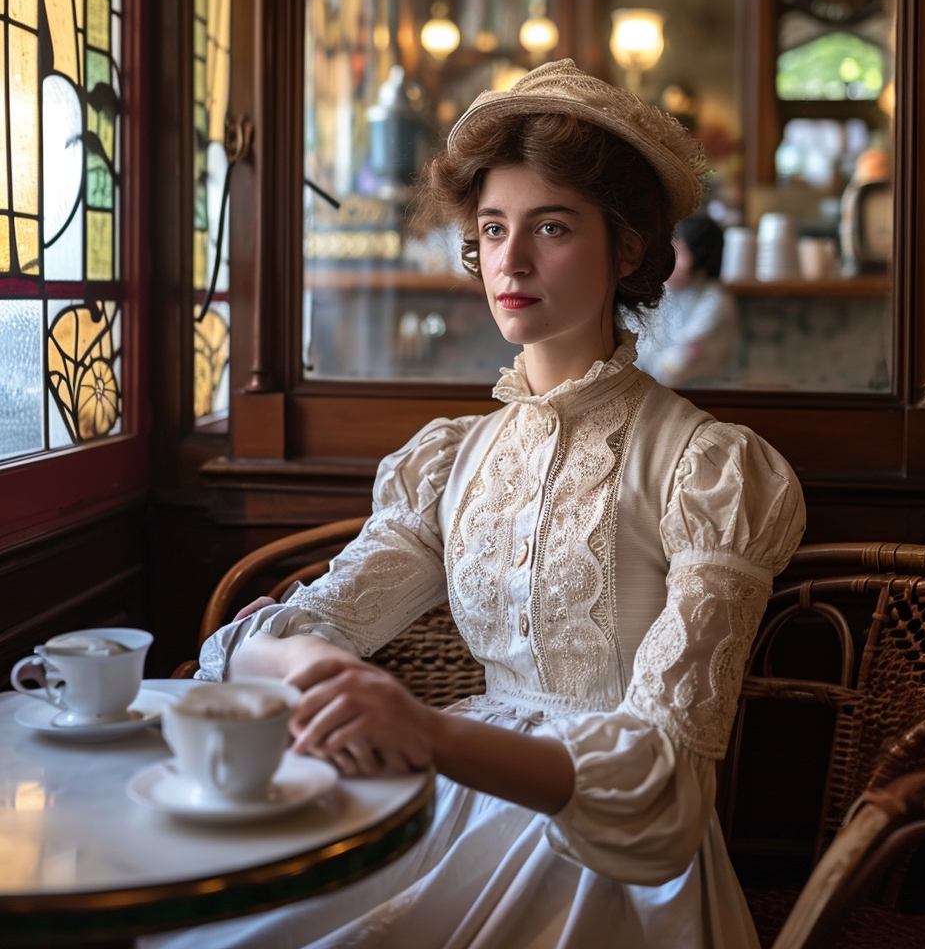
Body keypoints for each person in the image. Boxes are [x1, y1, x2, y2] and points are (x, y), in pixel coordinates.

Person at [164, 60, 805, 949]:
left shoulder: (708, 469)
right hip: (446, 810)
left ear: (626, 248)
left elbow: (664, 792)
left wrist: (422, 729)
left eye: (551, 226)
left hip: (604, 864)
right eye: (492, 229)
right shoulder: (451, 462)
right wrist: (330, 683)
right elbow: (271, 645)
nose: (511, 260)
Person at [634, 213, 738, 387]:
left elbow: (672, 372)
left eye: (679, 252)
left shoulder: (715, 303)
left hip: (703, 400)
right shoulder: (662, 292)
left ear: (701, 257)